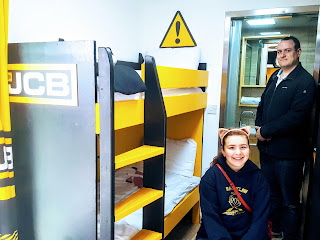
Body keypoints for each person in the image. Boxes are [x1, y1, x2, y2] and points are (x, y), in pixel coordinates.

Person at [255, 36, 317, 240]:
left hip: (288, 155)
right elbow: (263, 104)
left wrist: (265, 131)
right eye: (279, 51)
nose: (282, 55)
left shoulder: (305, 81)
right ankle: (276, 231)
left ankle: (290, 237)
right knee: (271, 195)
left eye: (287, 51)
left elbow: (296, 117)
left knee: (289, 200)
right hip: (268, 151)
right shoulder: (275, 76)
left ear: (298, 53)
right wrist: (258, 125)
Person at [196, 126, 271, 240]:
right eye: (231, 147)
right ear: (223, 151)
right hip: (216, 235)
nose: (238, 152)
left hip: (250, 235)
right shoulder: (210, 178)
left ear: (249, 149)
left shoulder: (258, 178)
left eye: (243, 147)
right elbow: (211, 218)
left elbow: (260, 219)